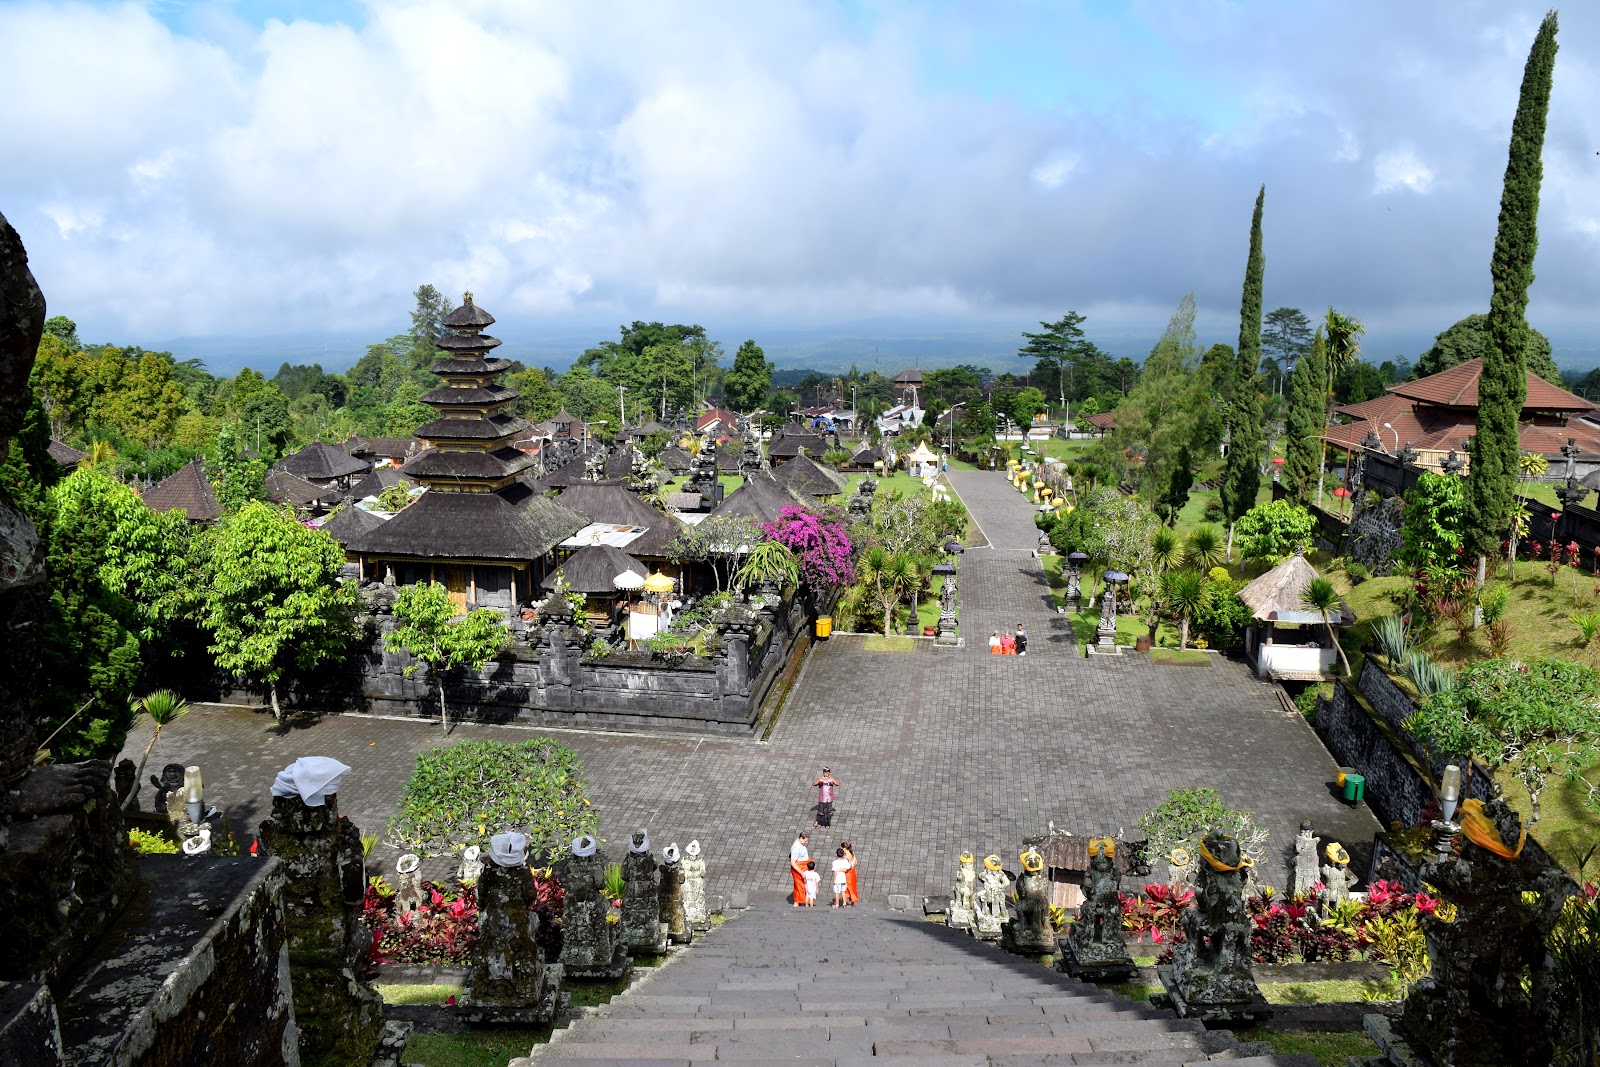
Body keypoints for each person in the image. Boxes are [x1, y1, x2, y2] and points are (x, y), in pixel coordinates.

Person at [789, 831, 810, 907]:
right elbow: (793, 862)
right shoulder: (796, 848)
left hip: (802, 866)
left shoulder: (799, 844)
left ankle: (798, 901)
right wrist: (801, 872)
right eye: (805, 841)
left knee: (799, 885)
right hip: (800, 868)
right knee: (799, 885)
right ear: (801, 838)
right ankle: (799, 901)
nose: (806, 842)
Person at [841, 840, 859, 906]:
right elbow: (856, 862)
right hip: (853, 872)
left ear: (845, 848)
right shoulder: (852, 853)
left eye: (842, 848)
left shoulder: (846, 857)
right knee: (853, 887)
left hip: (848, 873)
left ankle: (844, 902)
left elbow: (846, 867)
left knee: (846, 888)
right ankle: (852, 903)